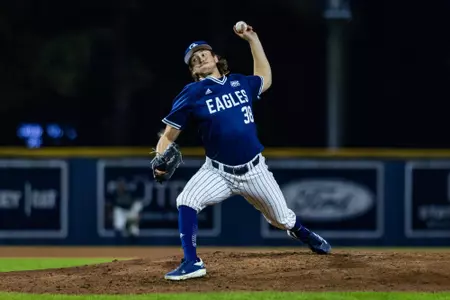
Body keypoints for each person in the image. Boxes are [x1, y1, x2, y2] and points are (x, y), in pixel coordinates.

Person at [153, 23, 331, 281]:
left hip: (255, 169)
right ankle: (192, 262)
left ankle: (302, 232)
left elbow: (265, 78)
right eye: (194, 59)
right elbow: (168, 134)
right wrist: (159, 157)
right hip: (217, 171)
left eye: (203, 52)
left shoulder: (239, 82)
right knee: (186, 201)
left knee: (281, 219)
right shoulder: (192, 93)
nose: (199, 56)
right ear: (193, 70)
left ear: (215, 58)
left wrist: (253, 39)